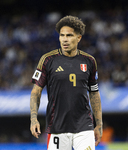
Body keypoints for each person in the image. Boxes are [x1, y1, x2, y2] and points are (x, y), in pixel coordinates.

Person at [30, 15, 103, 150]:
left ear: (78, 37)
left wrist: (99, 124)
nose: (64, 39)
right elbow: (36, 92)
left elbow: (94, 93)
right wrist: (33, 119)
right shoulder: (47, 60)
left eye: (69, 35)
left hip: (84, 126)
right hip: (57, 126)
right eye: (62, 35)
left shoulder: (89, 61)